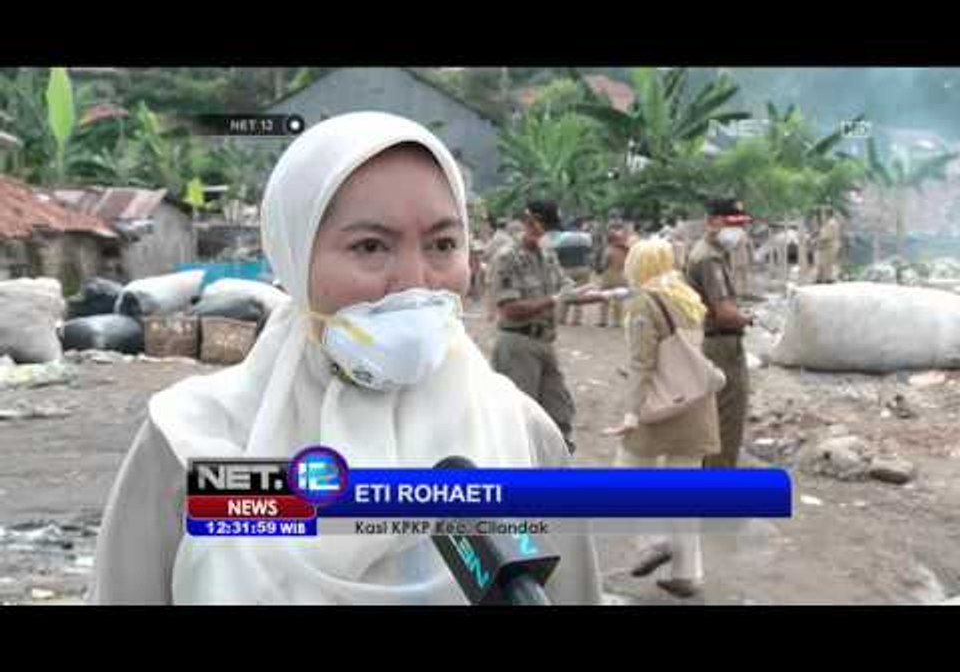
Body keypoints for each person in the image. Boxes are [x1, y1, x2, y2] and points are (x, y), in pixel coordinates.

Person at [89, 112, 602, 605]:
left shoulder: (522, 437)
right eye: (371, 246)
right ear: (296, 255)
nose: (416, 280)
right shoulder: (194, 443)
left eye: (443, 243)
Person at [603, 238, 720, 598]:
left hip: (660, 408)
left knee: (626, 476)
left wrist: (630, 414)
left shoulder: (644, 303)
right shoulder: (686, 296)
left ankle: (656, 540)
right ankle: (688, 574)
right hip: (696, 403)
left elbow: (643, 365)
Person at [490, 200, 606, 455]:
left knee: (558, 414)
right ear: (529, 222)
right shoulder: (508, 257)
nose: (545, 233)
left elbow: (566, 291)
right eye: (542, 226)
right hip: (517, 345)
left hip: (545, 343)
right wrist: (554, 300)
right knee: (519, 421)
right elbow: (509, 308)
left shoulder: (547, 255)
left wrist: (605, 295)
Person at [685, 198, 754, 469]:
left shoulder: (709, 253)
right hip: (721, 346)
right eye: (730, 224)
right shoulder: (709, 258)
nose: (737, 230)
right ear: (712, 221)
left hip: (710, 343)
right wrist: (748, 318)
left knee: (715, 421)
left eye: (739, 225)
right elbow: (725, 313)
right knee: (725, 424)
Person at [597, 227, 630, 327]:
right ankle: (617, 321)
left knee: (604, 298)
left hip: (609, 275)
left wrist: (600, 268)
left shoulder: (609, 250)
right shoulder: (626, 250)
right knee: (618, 300)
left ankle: (603, 320)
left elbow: (604, 264)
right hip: (622, 275)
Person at [814, 207, 842, 284]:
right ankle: (824, 278)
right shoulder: (830, 223)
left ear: (827, 214)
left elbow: (826, 236)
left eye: (824, 214)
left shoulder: (830, 223)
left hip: (829, 245)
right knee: (826, 263)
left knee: (826, 263)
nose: (823, 216)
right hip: (829, 245)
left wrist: (816, 240)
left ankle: (828, 278)